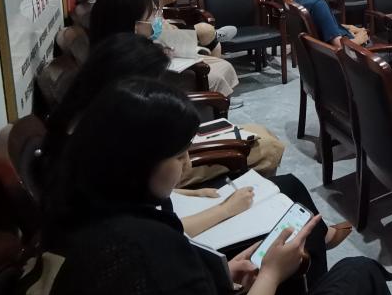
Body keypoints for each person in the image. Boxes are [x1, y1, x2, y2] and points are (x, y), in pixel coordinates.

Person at [21, 78, 392, 295]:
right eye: (179, 155)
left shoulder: (74, 215)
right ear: (137, 164)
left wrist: (221, 275)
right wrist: (270, 276)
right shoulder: (151, 257)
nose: (188, 163)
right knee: (359, 274)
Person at [44, 32, 283, 188]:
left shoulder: (88, 109)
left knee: (259, 132)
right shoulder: (102, 143)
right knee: (268, 146)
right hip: (166, 166)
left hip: (164, 154)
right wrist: (224, 209)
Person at [90, 0, 240, 98]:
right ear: (134, 26)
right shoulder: (125, 65)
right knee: (217, 74)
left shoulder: (114, 50)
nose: (159, 19)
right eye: (154, 14)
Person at [128, 0, 235, 54]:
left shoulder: (152, 7)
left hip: (166, 37)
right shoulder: (134, 9)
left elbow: (160, 23)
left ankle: (213, 36)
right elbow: (151, 32)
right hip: (160, 44)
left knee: (215, 44)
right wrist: (162, 2)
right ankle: (213, 34)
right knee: (205, 31)